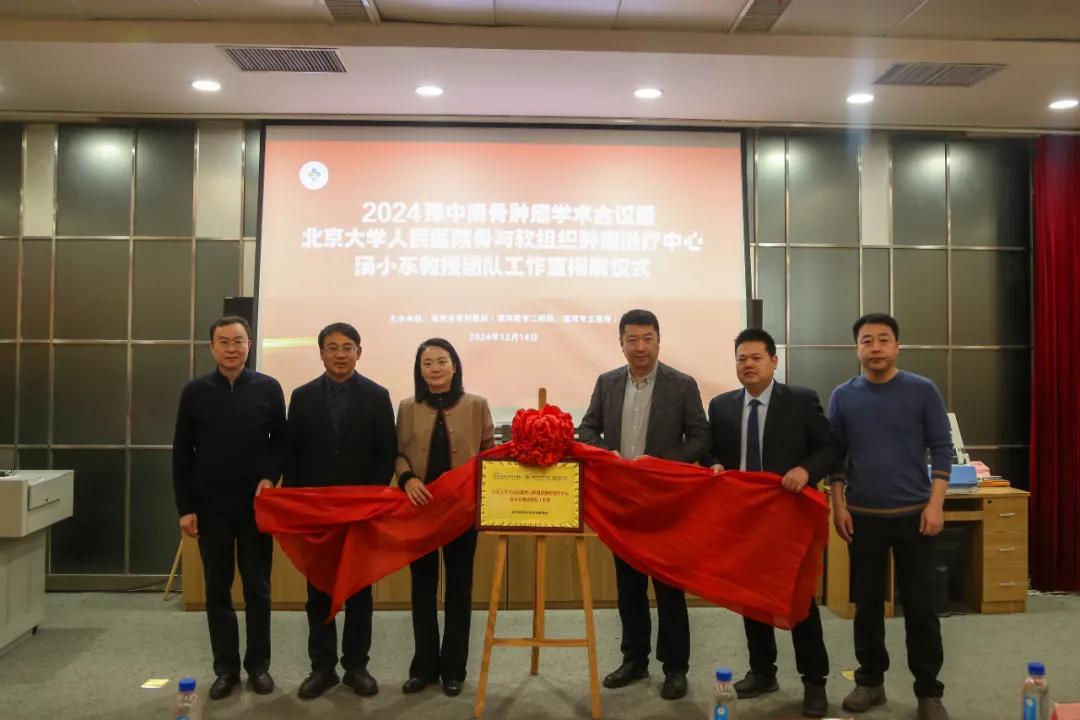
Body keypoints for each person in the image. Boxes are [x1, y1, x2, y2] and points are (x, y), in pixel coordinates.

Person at [578, 309, 710, 701]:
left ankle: (675, 668)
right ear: (621, 343)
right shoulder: (607, 383)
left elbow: (700, 437)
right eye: (632, 339)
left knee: (669, 589)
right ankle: (634, 660)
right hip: (623, 503)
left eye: (647, 338)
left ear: (658, 341)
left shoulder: (681, 384)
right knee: (629, 587)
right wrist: (608, 455)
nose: (640, 347)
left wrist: (661, 465)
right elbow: (587, 429)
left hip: (665, 501)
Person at [706, 328, 837, 718]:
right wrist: (714, 463)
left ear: (773, 361)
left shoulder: (800, 401)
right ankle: (763, 672)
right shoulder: (721, 406)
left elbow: (830, 447)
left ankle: (814, 681)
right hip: (744, 519)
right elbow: (713, 451)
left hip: (789, 518)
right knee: (752, 596)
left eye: (756, 358)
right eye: (741, 359)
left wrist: (806, 469)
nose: (748, 365)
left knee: (799, 600)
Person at [828, 313, 951, 720]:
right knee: (866, 605)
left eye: (884, 339)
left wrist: (936, 504)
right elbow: (835, 457)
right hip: (862, 518)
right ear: (857, 349)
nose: (876, 347)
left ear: (897, 346)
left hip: (915, 516)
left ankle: (928, 691)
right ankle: (870, 682)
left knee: (920, 606)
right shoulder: (843, 396)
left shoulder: (922, 390)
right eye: (867, 341)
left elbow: (941, 448)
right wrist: (838, 505)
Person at [172, 315, 286, 700]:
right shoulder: (195, 392)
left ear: (249, 344)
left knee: (258, 589)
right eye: (224, 342)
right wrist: (186, 507)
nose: (232, 348)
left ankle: (259, 667)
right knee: (217, 589)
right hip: (211, 508)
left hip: (256, 507)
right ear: (212, 347)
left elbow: (281, 442)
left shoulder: (268, 388)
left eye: (239, 341)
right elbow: (181, 453)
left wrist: (270, 476)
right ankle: (225, 669)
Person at [283, 322, 397, 700]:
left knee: (359, 592)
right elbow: (292, 454)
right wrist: (299, 505)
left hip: (360, 514)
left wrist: (369, 501)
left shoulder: (377, 396)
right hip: (316, 514)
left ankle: (356, 666)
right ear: (321, 353)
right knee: (318, 591)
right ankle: (322, 667)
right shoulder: (302, 397)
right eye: (332, 347)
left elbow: (385, 452)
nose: (340, 354)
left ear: (359, 352)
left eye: (347, 347)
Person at [395, 338, 495, 697]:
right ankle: (423, 667)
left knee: (459, 589)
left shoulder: (477, 405)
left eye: (442, 361)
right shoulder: (407, 407)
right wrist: (407, 479)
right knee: (421, 589)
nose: (435, 369)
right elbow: (398, 453)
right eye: (427, 363)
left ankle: (454, 669)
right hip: (419, 509)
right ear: (419, 370)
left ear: (455, 366)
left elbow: (489, 453)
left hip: (461, 511)